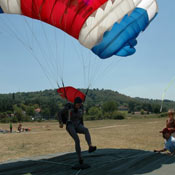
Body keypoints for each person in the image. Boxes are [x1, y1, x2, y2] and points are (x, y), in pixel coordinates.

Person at [58, 97, 97, 164]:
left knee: (86, 130)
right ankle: (80, 158)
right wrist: (60, 122)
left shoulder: (81, 108)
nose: (79, 106)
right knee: (77, 139)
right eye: (77, 104)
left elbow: (81, 118)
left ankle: (90, 146)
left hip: (78, 124)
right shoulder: (69, 107)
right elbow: (59, 113)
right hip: (70, 125)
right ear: (75, 103)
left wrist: (82, 125)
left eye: (80, 104)